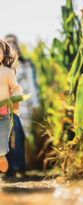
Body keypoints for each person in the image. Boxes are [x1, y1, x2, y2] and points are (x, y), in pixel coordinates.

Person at [4, 34, 39, 176]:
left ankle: (19, 165)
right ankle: (9, 167)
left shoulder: (26, 65)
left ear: (17, 46)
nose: (11, 45)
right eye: (8, 43)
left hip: (21, 107)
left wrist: (35, 105)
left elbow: (32, 85)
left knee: (18, 133)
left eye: (13, 43)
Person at [0, 39, 22, 173]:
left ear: (3, 54)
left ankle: (1, 155)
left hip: (3, 116)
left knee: (2, 147)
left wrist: (16, 100)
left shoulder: (7, 72)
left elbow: (15, 88)